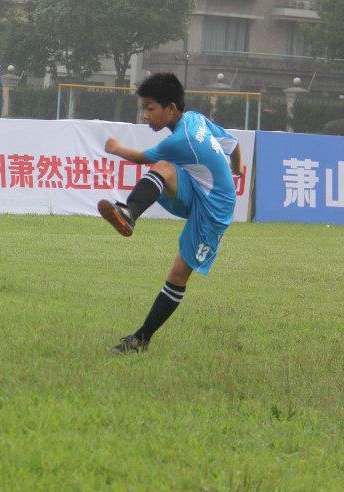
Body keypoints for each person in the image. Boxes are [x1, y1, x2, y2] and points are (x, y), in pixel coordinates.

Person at [97, 72, 242, 354]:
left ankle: (142, 338)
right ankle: (128, 213)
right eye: (144, 109)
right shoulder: (196, 120)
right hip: (196, 189)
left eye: (150, 109)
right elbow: (233, 145)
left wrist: (114, 148)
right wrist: (236, 168)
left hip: (213, 209)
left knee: (177, 276)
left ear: (171, 108)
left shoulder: (181, 140)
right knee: (164, 168)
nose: (145, 116)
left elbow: (141, 157)